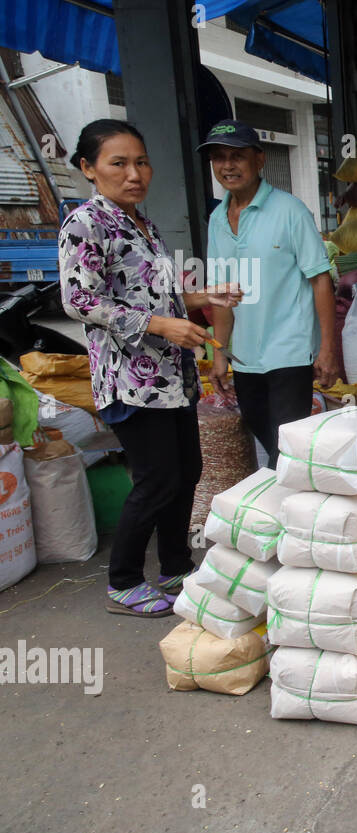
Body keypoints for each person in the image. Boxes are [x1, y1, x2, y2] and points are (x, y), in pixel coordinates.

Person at [59, 119, 242, 618]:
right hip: (131, 379)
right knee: (157, 479)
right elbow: (78, 300)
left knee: (187, 472)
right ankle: (123, 580)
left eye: (141, 162)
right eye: (118, 163)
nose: (134, 173)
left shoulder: (144, 224)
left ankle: (177, 567)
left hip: (172, 378)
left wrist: (204, 297)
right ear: (88, 169)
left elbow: (156, 295)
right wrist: (160, 325)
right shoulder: (86, 223)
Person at [202, 120, 337, 468]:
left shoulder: (290, 211)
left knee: (286, 448)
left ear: (259, 159)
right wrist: (220, 353)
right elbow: (221, 295)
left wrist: (327, 348)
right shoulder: (217, 219)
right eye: (219, 158)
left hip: (289, 351)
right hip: (247, 356)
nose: (227, 166)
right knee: (264, 431)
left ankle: (291, 516)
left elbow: (320, 280)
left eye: (237, 156)